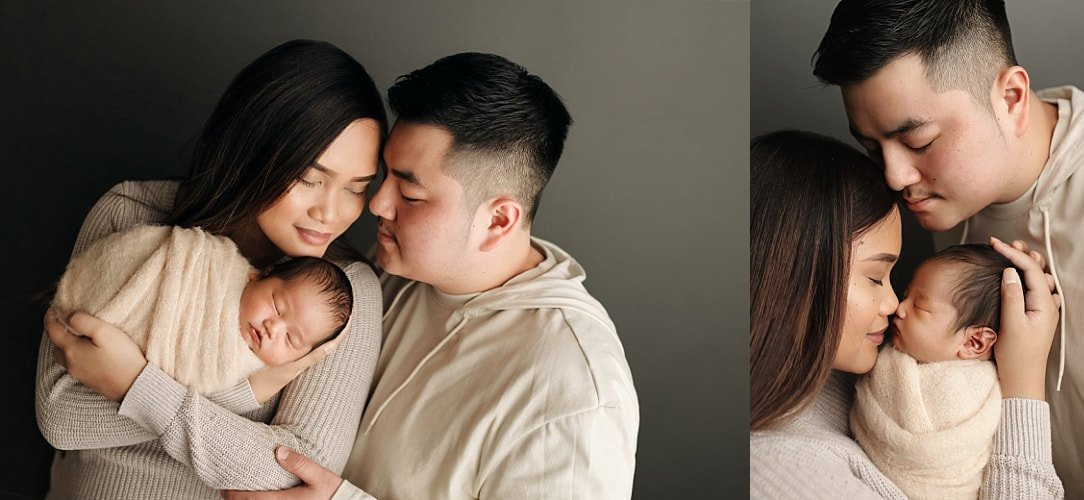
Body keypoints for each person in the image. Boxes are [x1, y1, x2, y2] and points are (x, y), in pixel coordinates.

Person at [225, 52, 640, 500]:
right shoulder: (393, 271)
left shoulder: (573, 394)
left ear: (498, 220)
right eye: (383, 179)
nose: (377, 204)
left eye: (409, 193)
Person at [36, 39, 386, 499]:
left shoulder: (342, 297)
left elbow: (298, 472)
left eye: (356, 188)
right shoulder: (132, 217)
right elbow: (62, 418)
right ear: (253, 148)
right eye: (309, 179)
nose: (332, 213)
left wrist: (134, 385)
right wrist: (250, 390)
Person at [812, 0, 1084, 491]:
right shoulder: (946, 201)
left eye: (919, 141)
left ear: (1012, 97)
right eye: (873, 149)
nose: (894, 177)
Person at [749, 130, 1063, 499]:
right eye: (873, 276)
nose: (892, 303)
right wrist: (1025, 382)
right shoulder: (780, 472)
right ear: (791, 273)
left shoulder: (822, 380)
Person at [52, 223, 353, 394]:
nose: (273, 328)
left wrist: (136, 384)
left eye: (291, 340)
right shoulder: (215, 263)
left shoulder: (240, 364)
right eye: (277, 305)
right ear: (259, 274)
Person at [851, 244, 1015, 499]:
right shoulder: (884, 356)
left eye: (920, 307)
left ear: (974, 343)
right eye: (906, 296)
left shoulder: (967, 393)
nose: (900, 308)